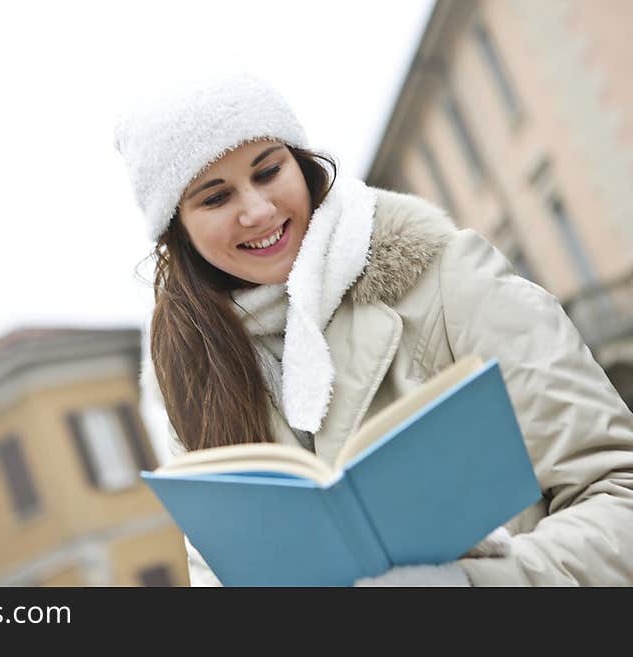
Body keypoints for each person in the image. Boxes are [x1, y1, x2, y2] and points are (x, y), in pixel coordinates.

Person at [113, 73, 633, 586]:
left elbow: (618, 494)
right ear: (176, 230)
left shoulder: (447, 275)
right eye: (216, 198)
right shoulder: (195, 382)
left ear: (301, 163)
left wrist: (472, 586)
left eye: (268, 171)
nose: (258, 210)